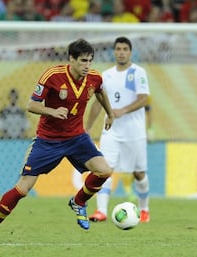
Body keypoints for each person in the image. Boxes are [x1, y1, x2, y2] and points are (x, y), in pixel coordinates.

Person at [0, 38, 114, 243]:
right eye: (83, 61)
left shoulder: (94, 77)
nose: (87, 66)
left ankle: (78, 202)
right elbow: (31, 105)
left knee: (104, 170)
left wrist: (110, 114)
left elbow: (101, 91)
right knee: (23, 188)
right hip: (48, 140)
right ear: (71, 59)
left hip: (77, 137)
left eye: (89, 61)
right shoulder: (53, 76)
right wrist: (52, 111)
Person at [86, 36, 150, 223]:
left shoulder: (138, 72)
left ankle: (144, 209)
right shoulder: (105, 75)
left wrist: (122, 110)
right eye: (118, 49)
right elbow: (98, 103)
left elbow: (143, 98)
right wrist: (87, 128)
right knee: (104, 169)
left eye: (125, 49)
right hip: (111, 130)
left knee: (139, 173)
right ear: (114, 51)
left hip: (134, 131)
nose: (121, 52)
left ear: (130, 52)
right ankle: (101, 211)